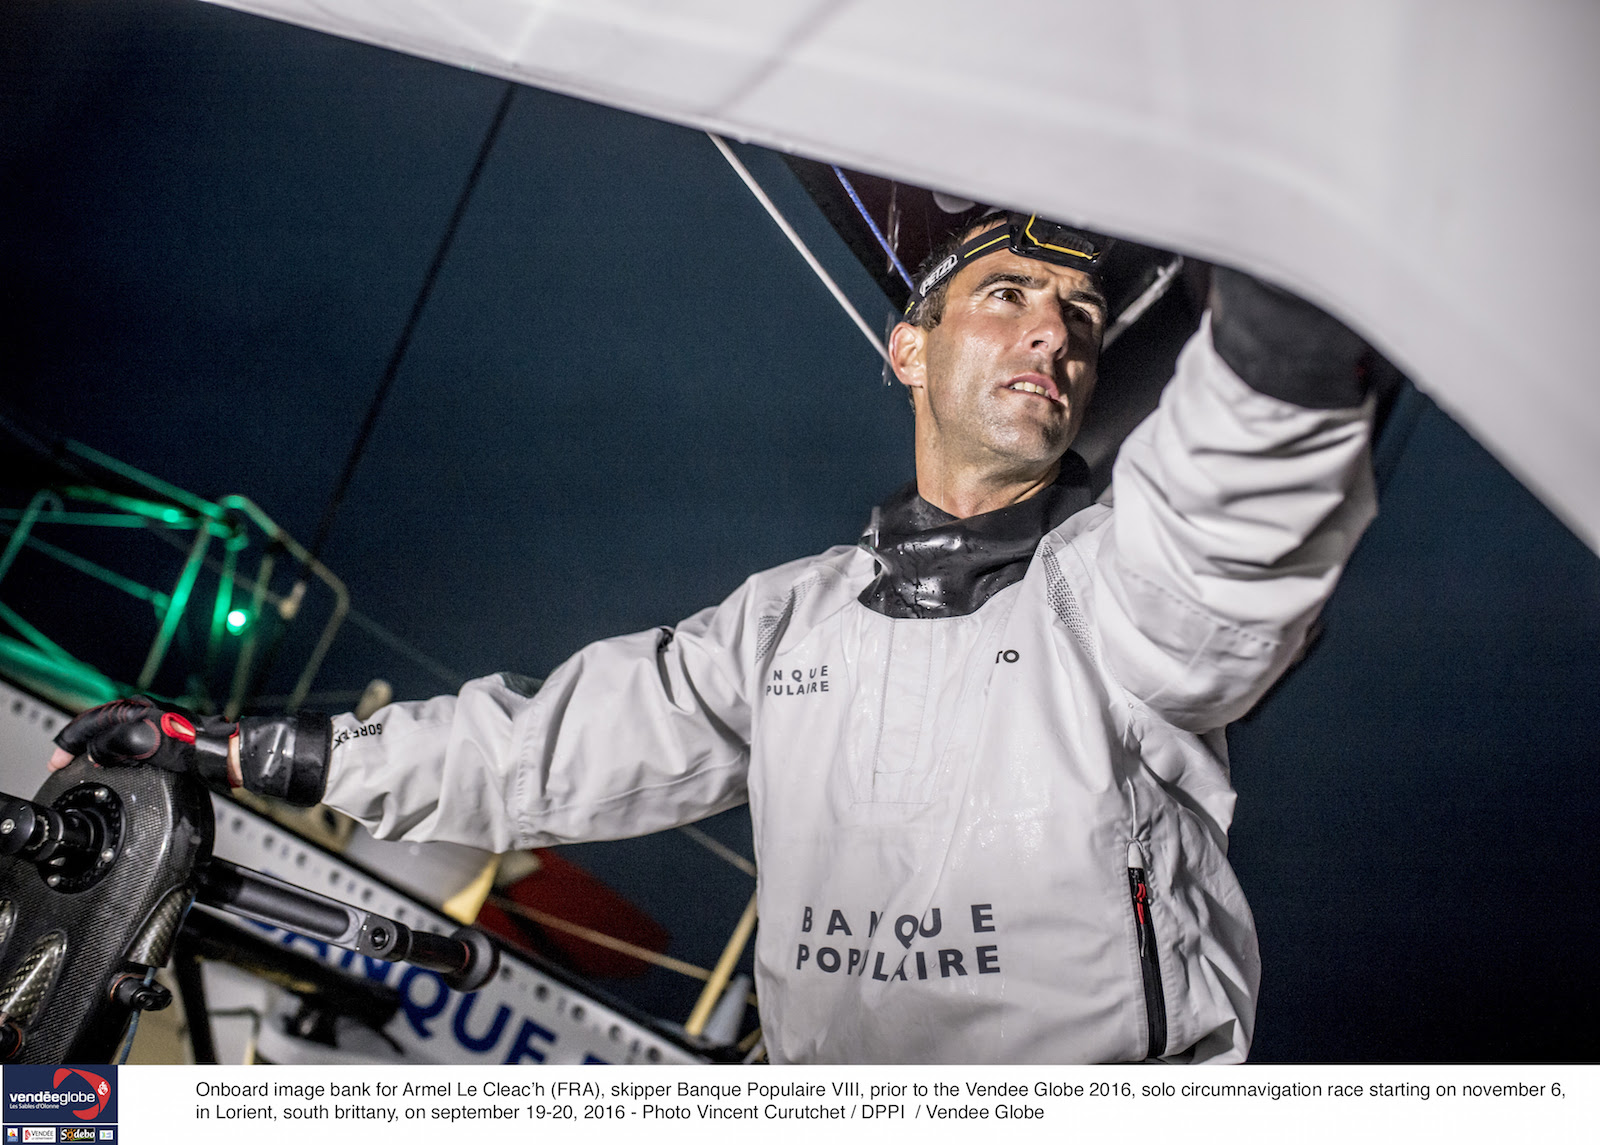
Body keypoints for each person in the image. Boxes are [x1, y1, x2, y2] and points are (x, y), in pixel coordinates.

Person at [52, 211, 1379, 1063]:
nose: (1056, 327)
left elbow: (1226, 525)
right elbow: (540, 750)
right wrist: (251, 746)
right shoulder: (785, 619)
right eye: (1011, 293)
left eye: (1082, 318)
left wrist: (1286, 315)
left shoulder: (1117, 591)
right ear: (906, 350)